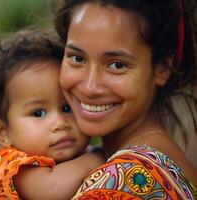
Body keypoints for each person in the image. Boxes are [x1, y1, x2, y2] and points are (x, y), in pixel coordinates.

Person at [53, 0, 197, 199]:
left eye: (117, 65)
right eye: (77, 58)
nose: (89, 87)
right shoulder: (152, 159)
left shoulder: (128, 179)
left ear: (162, 68)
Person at [0, 30, 104, 200]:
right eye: (38, 113)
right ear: (3, 131)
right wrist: (99, 156)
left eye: (67, 108)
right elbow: (53, 188)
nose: (60, 123)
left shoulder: (75, 156)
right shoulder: (18, 166)